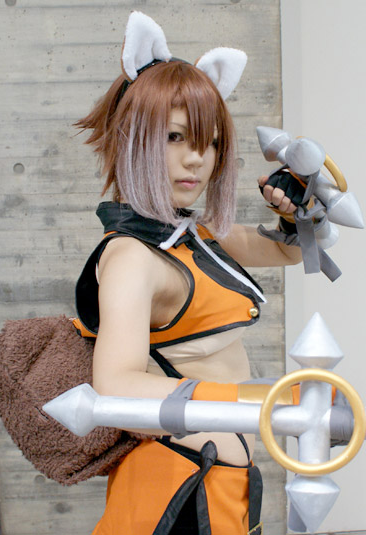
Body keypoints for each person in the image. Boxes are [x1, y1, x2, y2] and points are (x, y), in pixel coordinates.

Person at [71, 12, 318, 535]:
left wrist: (295, 210)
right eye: (175, 137)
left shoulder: (190, 234)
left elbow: (287, 252)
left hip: (213, 472)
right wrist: (254, 401)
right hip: (177, 484)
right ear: (132, 137)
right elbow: (114, 383)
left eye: (210, 142)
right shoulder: (132, 257)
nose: (197, 159)